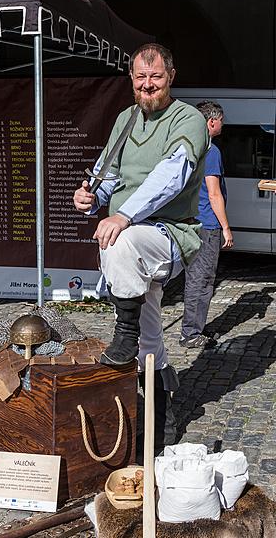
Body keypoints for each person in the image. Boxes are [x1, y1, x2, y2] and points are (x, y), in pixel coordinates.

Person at [73, 43, 209, 449]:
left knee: (120, 240)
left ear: (170, 77)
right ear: (131, 79)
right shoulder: (126, 119)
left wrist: (122, 215)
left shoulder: (190, 119)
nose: (148, 86)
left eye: (156, 78)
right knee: (151, 338)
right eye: (140, 78)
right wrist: (93, 197)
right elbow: (109, 171)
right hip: (132, 244)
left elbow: (170, 175)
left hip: (169, 234)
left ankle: (123, 331)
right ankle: (158, 421)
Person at [180, 100, 233, 348]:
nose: (223, 124)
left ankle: (192, 328)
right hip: (206, 224)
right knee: (202, 279)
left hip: (191, 221)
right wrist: (225, 227)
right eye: (221, 120)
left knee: (195, 277)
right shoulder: (211, 151)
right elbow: (214, 193)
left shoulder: (189, 145)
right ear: (212, 121)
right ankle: (191, 333)